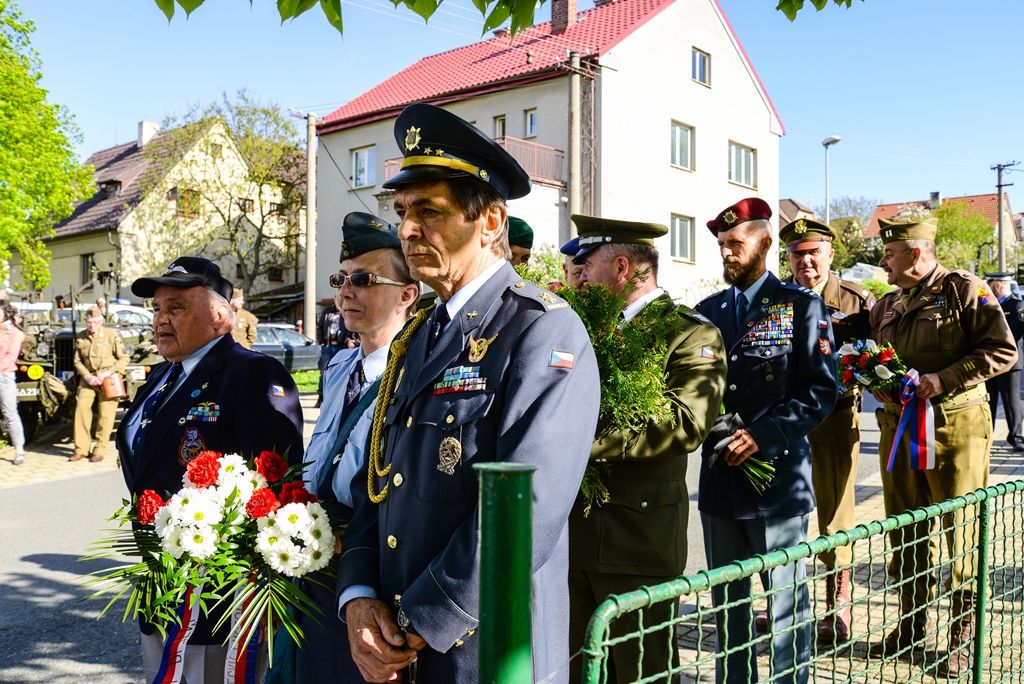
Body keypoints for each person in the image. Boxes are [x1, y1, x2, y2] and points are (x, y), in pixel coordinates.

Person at [338, 103, 600, 683]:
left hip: (481, 652)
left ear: (489, 222)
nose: (406, 229)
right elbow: (376, 482)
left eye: (429, 211)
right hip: (396, 645)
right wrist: (358, 595)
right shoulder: (419, 333)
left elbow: (524, 512)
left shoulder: (541, 330)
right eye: (403, 211)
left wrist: (413, 620)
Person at [114, 256, 304, 684]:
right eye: (157, 309)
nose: (161, 319)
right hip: (161, 582)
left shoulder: (253, 374)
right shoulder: (161, 376)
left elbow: (279, 486)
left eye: (176, 307)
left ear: (220, 315)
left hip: (218, 597)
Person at [566, 215, 726, 683]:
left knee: (642, 670)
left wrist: (573, 439)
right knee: (576, 669)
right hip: (571, 537)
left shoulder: (691, 334)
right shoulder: (583, 329)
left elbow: (684, 423)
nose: (581, 277)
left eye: (588, 265)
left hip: (636, 540)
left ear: (620, 267)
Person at [267, 213, 421, 683]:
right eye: (341, 279)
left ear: (407, 295)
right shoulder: (339, 366)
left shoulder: (416, 372)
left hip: (371, 559)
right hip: (312, 556)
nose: (346, 291)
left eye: (363, 279)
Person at [695, 197, 837, 684]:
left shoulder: (800, 306)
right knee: (728, 613)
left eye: (735, 243)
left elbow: (821, 391)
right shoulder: (706, 312)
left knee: (785, 614)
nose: (727, 254)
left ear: (764, 242)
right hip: (720, 484)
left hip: (777, 484)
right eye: (721, 246)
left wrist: (761, 435)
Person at [868, 218, 1016, 676]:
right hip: (898, 428)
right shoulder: (889, 303)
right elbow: (881, 356)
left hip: (955, 428)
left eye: (889, 253)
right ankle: (911, 622)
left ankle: (962, 633)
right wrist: (875, 380)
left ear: (915, 254)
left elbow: (1002, 351)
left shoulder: (964, 290)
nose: (882, 262)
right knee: (904, 526)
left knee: (961, 530)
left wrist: (943, 379)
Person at [780, 217, 874, 642]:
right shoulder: (777, 298)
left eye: (813, 253)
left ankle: (837, 605)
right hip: (783, 421)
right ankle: (782, 602)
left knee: (835, 513)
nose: (806, 262)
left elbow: (877, 360)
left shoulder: (855, 302)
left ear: (830, 254)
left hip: (835, 418)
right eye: (797, 255)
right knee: (783, 512)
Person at [69, 305, 127, 463]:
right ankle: (80, 449)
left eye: (94, 322)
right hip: (89, 379)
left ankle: (100, 450)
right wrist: (87, 376)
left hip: (107, 378)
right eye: (88, 322)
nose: (91, 325)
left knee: (106, 415)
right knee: (81, 408)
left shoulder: (111, 335)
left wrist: (108, 373)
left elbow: (123, 358)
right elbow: (77, 360)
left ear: (101, 321)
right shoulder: (81, 337)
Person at [984, 272, 1024, 451]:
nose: (989, 287)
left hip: (1009, 362)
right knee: (989, 401)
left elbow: (1016, 333)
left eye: (991, 283)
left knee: (1011, 401)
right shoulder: (988, 305)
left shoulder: (1017, 305)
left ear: (999, 284)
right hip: (989, 362)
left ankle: (1016, 437)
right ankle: (987, 436)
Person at [315, 296, 357, 408]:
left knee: (341, 373)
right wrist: (321, 342)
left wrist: (348, 340)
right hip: (328, 346)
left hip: (341, 347)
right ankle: (321, 398)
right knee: (324, 373)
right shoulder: (327, 311)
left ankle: (336, 400)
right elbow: (319, 327)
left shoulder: (346, 311)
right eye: (337, 298)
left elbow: (350, 329)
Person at [0, 303, 26, 465]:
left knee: (10, 413)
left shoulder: (14, 333)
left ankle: (19, 451)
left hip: (4, 376)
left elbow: (11, 356)